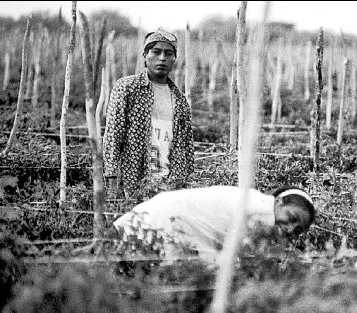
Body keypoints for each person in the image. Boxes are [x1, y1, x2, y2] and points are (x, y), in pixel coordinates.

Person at [113, 185, 316, 263]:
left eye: (296, 231)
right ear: (279, 202)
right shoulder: (261, 212)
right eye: (292, 218)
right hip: (165, 220)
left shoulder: (258, 202)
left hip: (165, 217)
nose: (289, 229)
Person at [103, 28, 194, 198]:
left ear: (174, 59)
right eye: (156, 52)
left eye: (168, 53)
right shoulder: (127, 88)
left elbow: (187, 147)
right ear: (145, 55)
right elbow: (113, 136)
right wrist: (112, 177)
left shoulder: (180, 100)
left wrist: (183, 183)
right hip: (133, 182)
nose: (162, 58)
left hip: (170, 185)